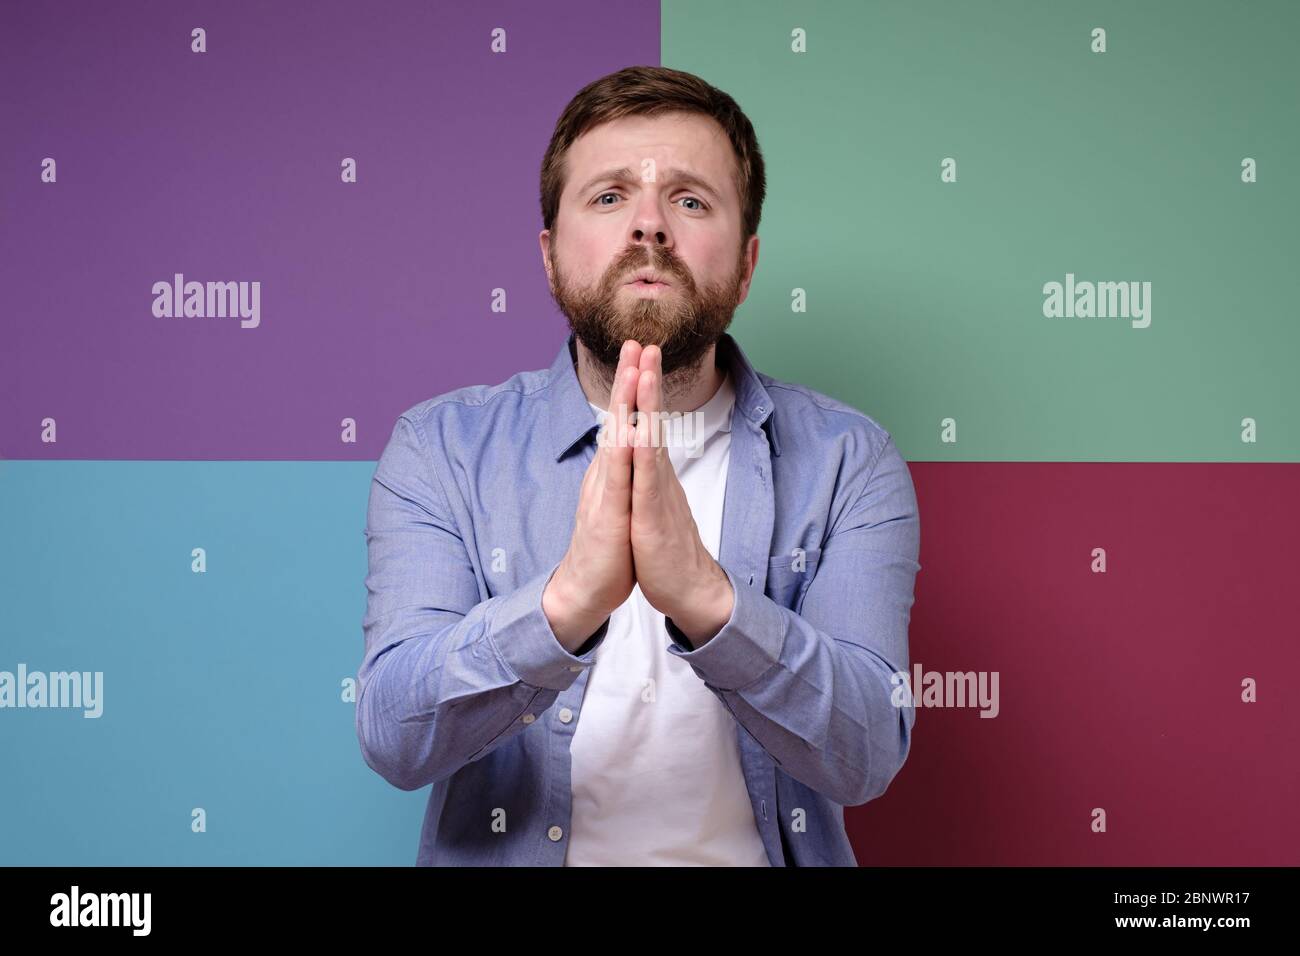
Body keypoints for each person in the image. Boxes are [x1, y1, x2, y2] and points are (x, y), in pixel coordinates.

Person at [357, 65, 921, 866]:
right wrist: (565, 603)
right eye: (610, 196)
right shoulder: (441, 448)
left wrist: (706, 599)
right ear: (551, 257)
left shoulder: (848, 461)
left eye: (690, 200)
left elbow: (865, 755)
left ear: (749, 264)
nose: (649, 226)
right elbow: (393, 736)